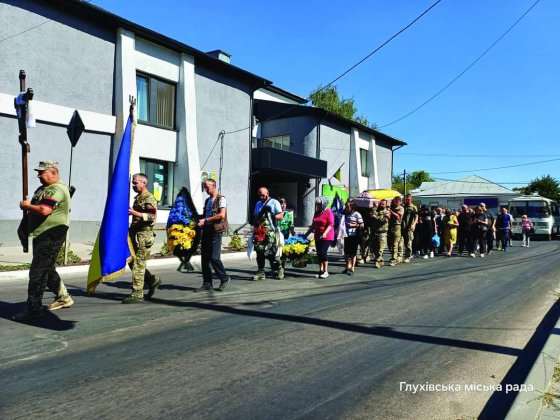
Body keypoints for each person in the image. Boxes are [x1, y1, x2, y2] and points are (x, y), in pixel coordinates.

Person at [13, 161, 75, 321]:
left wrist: (27, 206)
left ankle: (34, 308)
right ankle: (63, 297)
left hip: (52, 233)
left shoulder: (57, 189)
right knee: (46, 268)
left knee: (37, 272)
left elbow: (44, 210)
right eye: (38, 172)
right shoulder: (43, 189)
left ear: (53, 172)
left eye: (42, 172)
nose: (39, 175)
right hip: (41, 233)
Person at [122, 173, 161, 303]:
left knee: (138, 264)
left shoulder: (149, 198)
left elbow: (151, 217)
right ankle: (152, 279)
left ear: (144, 183)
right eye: (133, 183)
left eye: (136, 183)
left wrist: (135, 213)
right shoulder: (138, 198)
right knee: (132, 262)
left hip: (144, 236)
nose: (133, 185)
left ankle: (137, 293)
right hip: (135, 234)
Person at [195, 179, 231, 291]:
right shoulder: (207, 201)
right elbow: (206, 214)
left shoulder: (221, 199)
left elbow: (221, 215)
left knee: (214, 257)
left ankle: (224, 278)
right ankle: (207, 283)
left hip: (216, 231)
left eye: (207, 186)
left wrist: (205, 220)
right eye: (204, 187)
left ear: (213, 185)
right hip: (207, 230)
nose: (205, 189)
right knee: (205, 258)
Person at [252, 187, 284, 281]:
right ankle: (261, 272)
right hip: (259, 231)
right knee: (259, 252)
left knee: (272, 252)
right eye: (259, 195)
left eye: (262, 194)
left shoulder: (274, 202)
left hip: (271, 232)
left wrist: (271, 216)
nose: (261, 197)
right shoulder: (258, 204)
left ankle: (279, 269)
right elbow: (255, 216)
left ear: (267, 193)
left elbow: (281, 215)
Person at [304, 196, 334, 278]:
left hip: (327, 236)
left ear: (323, 204)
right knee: (319, 253)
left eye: (319, 204)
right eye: (317, 204)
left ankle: (326, 271)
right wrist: (306, 234)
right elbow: (313, 225)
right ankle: (321, 270)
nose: (317, 206)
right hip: (317, 236)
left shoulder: (328, 212)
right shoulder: (317, 212)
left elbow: (330, 224)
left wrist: (325, 233)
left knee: (323, 252)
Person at [340, 198, 364, 276]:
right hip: (346, 235)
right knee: (346, 253)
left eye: (348, 206)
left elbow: (362, 225)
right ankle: (348, 265)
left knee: (353, 253)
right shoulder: (344, 213)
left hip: (354, 236)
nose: (347, 208)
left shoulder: (357, 214)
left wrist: (353, 225)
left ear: (352, 207)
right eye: (346, 206)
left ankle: (352, 267)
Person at [370, 199, 391, 268]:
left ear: (385, 204)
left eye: (383, 204)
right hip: (375, 232)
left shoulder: (387, 211)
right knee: (375, 248)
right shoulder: (376, 210)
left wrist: (376, 217)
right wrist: (374, 207)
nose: (381, 205)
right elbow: (372, 214)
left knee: (380, 248)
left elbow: (385, 220)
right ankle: (380, 259)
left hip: (383, 232)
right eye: (380, 203)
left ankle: (377, 261)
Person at [278, 198, 296, 271]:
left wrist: (295, 236)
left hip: (285, 236)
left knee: (283, 253)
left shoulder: (289, 214)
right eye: (281, 204)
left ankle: (282, 268)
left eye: (284, 204)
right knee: (276, 253)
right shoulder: (276, 213)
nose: (283, 205)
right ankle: (277, 267)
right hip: (276, 235)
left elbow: (291, 226)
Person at [400, 194, 418, 263]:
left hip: (409, 227)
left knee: (408, 243)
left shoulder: (413, 207)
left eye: (408, 199)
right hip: (402, 227)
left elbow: (416, 216)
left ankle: (407, 257)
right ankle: (400, 257)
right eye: (406, 199)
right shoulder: (403, 206)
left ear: (411, 199)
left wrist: (413, 224)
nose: (407, 200)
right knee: (400, 243)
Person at [387, 196, 404, 266]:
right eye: (395, 201)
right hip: (390, 226)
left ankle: (394, 258)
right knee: (389, 243)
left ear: (400, 202)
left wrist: (390, 210)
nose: (396, 202)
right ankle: (394, 255)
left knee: (395, 243)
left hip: (397, 226)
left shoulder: (401, 208)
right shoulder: (391, 207)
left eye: (397, 201)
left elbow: (398, 215)